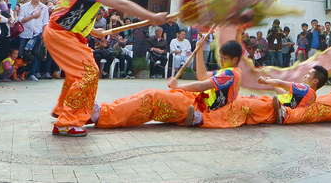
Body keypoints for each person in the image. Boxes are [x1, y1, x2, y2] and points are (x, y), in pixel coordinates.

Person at [43, 0, 167, 137]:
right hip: (63, 34)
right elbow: (121, 4)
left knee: (78, 74)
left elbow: (72, 11)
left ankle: (63, 110)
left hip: (63, 32)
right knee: (88, 72)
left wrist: (93, 30)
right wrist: (152, 16)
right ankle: (67, 122)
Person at [94, 39, 244, 129]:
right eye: (221, 57)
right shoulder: (229, 72)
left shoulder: (230, 73)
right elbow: (202, 76)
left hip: (200, 105)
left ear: (235, 59)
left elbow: (201, 85)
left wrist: (178, 86)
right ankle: (106, 109)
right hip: (196, 100)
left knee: (152, 98)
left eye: (225, 58)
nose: (221, 61)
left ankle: (104, 114)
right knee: (148, 94)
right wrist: (199, 50)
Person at [252, 65, 329, 125]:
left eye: (308, 74)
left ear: (315, 81)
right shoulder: (312, 96)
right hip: (280, 111)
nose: (305, 76)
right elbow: (287, 95)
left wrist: (265, 80)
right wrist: (273, 85)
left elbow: (280, 83)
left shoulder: (305, 88)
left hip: (277, 107)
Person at [17, 0, 48, 80]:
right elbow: (21, 20)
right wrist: (33, 17)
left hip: (37, 33)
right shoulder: (24, 7)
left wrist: (44, 32)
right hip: (25, 33)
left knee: (35, 53)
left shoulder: (44, 7)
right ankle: (20, 72)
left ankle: (32, 73)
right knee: (22, 53)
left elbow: (45, 22)